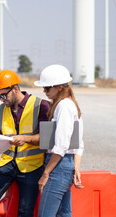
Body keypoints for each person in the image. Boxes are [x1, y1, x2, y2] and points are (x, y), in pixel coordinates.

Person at [0, 69, 50, 217]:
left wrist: (24, 138)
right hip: (7, 164)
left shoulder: (41, 106)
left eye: (3, 95)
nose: (1, 99)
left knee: (25, 211)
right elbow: (0, 137)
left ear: (15, 88)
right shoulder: (2, 109)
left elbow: (48, 139)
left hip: (32, 165)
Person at [34, 64, 84, 217]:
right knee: (63, 214)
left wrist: (46, 174)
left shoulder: (63, 106)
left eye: (47, 88)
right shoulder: (71, 104)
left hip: (58, 165)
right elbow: (78, 144)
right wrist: (75, 168)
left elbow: (61, 146)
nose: (44, 91)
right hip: (65, 165)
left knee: (45, 214)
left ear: (60, 87)